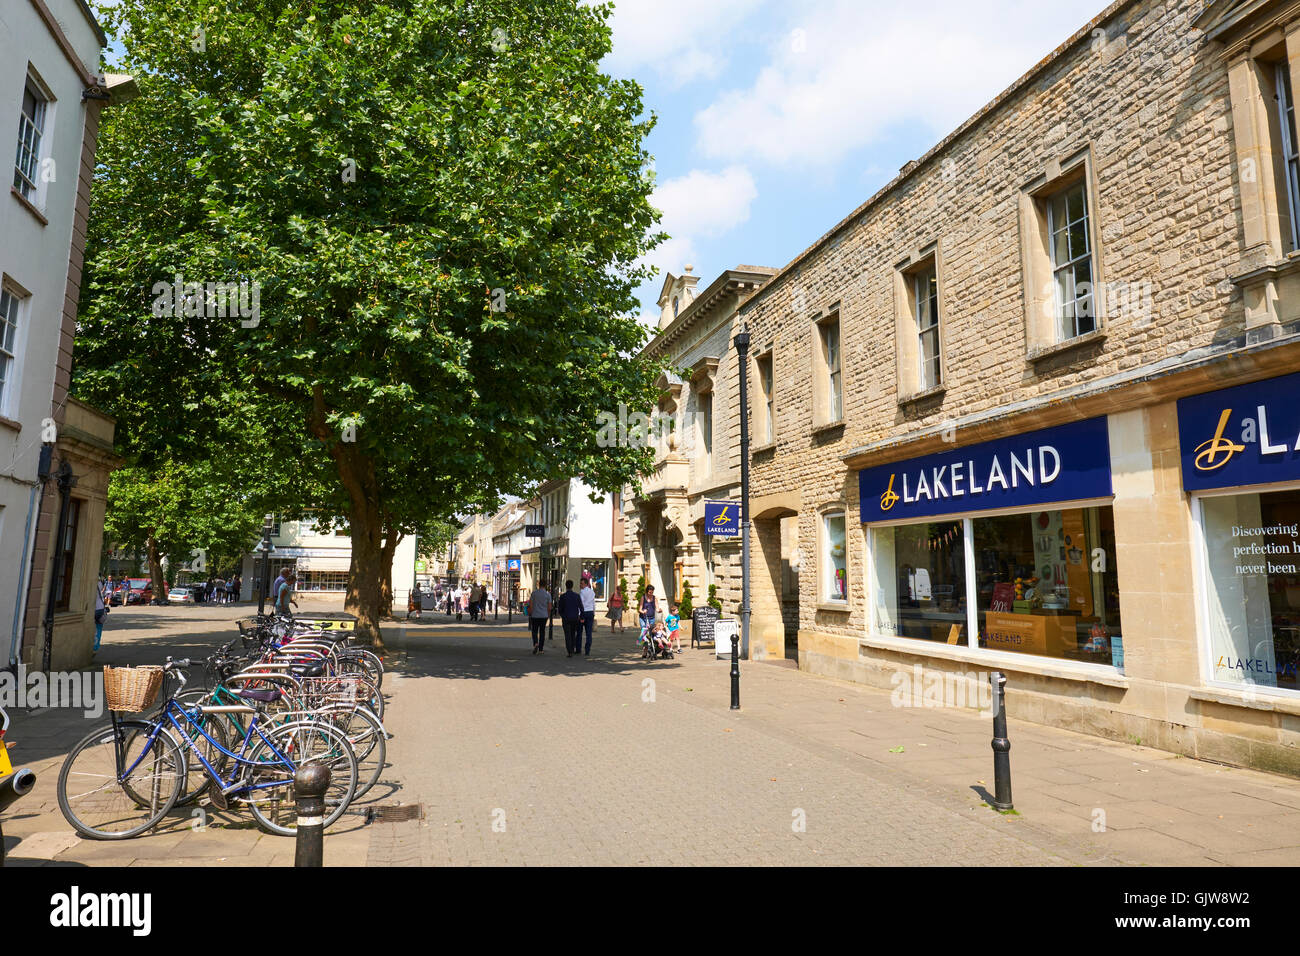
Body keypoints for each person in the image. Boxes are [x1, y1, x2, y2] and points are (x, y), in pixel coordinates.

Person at [557, 579, 584, 657]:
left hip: (566, 618)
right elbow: (581, 608)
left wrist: (563, 616)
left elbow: (560, 609)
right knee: (573, 633)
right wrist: (581, 617)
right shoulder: (577, 596)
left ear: (566, 586)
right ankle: (572, 648)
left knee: (567, 634)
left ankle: (569, 650)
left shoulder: (563, 596)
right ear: (572, 586)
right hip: (575, 618)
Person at [527, 582, 552, 654]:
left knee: (534, 631)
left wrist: (530, 613)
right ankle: (541, 649)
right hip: (544, 616)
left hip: (535, 615)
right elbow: (549, 607)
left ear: (539, 585)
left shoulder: (534, 593)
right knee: (542, 632)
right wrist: (548, 615)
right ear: (545, 585)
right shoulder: (548, 594)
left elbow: (531, 605)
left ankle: (535, 643)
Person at [579, 577, 596, 655]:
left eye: (582, 583)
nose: (580, 585)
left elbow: (581, 604)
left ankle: (578, 648)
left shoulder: (582, 592)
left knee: (579, 632)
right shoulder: (592, 592)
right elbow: (593, 603)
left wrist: (579, 614)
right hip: (590, 612)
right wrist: (593, 612)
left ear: (586, 584)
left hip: (584, 613)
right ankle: (587, 650)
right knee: (588, 633)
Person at [93, 580, 109, 651]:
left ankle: (93, 646)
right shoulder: (99, 583)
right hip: (101, 608)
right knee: (98, 628)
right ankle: (95, 647)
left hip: (94, 608)